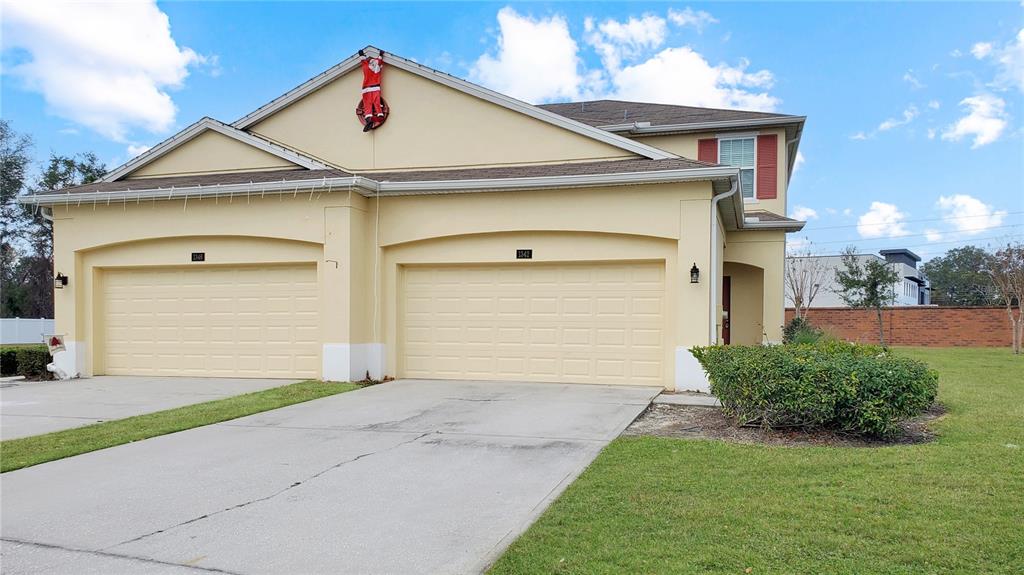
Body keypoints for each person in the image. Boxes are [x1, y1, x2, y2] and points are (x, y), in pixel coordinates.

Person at [359, 49, 385, 132]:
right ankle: (379, 115)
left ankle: (368, 118)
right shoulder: (377, 67)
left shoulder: (366, 66)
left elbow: (363, 61)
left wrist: (361, 55)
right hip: (375, 87)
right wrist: (380, 54)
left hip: (366, 88)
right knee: (376, 101)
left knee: (367, 104)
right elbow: (380, 60)